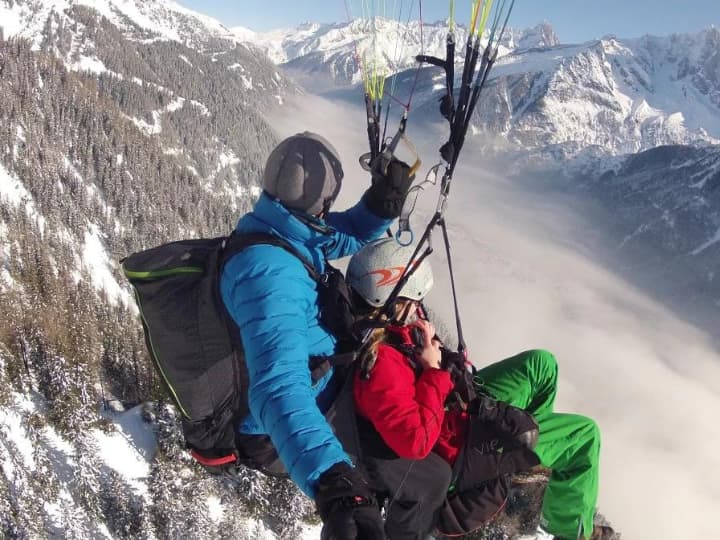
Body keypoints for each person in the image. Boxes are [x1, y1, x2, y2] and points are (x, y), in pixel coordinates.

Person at [346, 238, 615, 540]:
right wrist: (433, 371)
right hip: (459, 446)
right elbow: (415, 442)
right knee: (584, 437)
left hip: (454, 405)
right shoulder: (382, 364)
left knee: (541, 365)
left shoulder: (388, 332)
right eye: (415, 301)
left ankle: (523, 456)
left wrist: (440, 358)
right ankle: (570, 530)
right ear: (394, 301)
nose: (419, 308)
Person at [219, 132, 413, 540]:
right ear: (321, 203)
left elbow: (334, 236)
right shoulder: (270, 276)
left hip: (316, 380)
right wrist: (336, 484)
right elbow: (277, 389)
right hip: (275, 431)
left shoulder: (278, 226)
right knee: (419, 464)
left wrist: (379, 207)